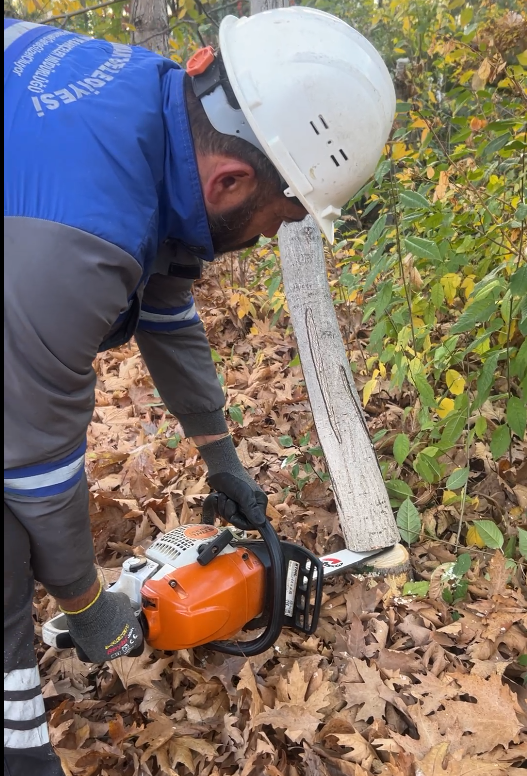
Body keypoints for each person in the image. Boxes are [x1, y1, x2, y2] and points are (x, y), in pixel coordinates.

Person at [4, 6, 395, 774]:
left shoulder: (155, 105)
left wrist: (222, 458)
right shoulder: (75, 240)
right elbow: (33, 470)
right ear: (232, 178)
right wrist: (88, 608)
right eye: (274, 221)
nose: (262, 238)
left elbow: (167, 306)